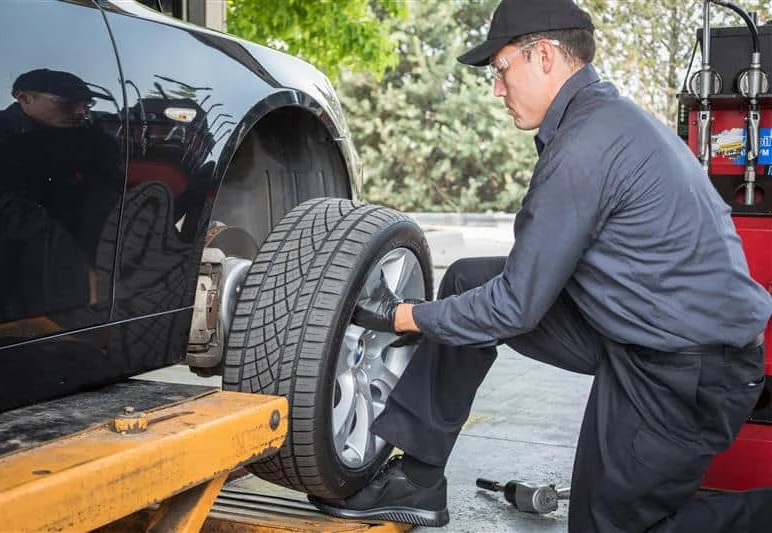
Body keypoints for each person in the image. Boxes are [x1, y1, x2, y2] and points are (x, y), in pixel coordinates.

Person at [308, 0, 772, 531]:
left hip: (689, 370)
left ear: (545, 56)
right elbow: (518, 285)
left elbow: (514, 307)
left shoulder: (585, 145)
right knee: (467, 280)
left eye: (502, 70)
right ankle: (418, 477)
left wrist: (403, 317)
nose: (497, 89)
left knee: (610, 527)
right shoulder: (600, 119)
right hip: (638, 331)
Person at [0, 69, 122, 327]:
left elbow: (107, 192)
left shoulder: (85, 138)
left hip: (59, 264)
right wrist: (74, 259)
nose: (79, 112)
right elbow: (0, 207)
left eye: (86, 105)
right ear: (24, 98)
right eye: (67, 103)